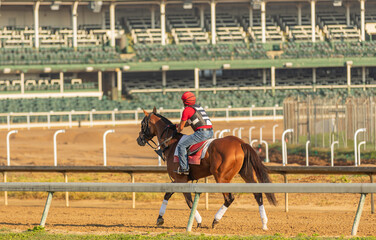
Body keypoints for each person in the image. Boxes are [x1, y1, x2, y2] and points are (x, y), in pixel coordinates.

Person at [174, 91, 214, 175]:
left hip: (201, 133)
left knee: (181, 146)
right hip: (211, 132)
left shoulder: (187, 110)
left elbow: (181, 128)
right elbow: (188, 123)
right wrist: (179, 125)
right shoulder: (198, 107)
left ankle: (184, 168)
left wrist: (177, 130)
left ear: (185, 101)